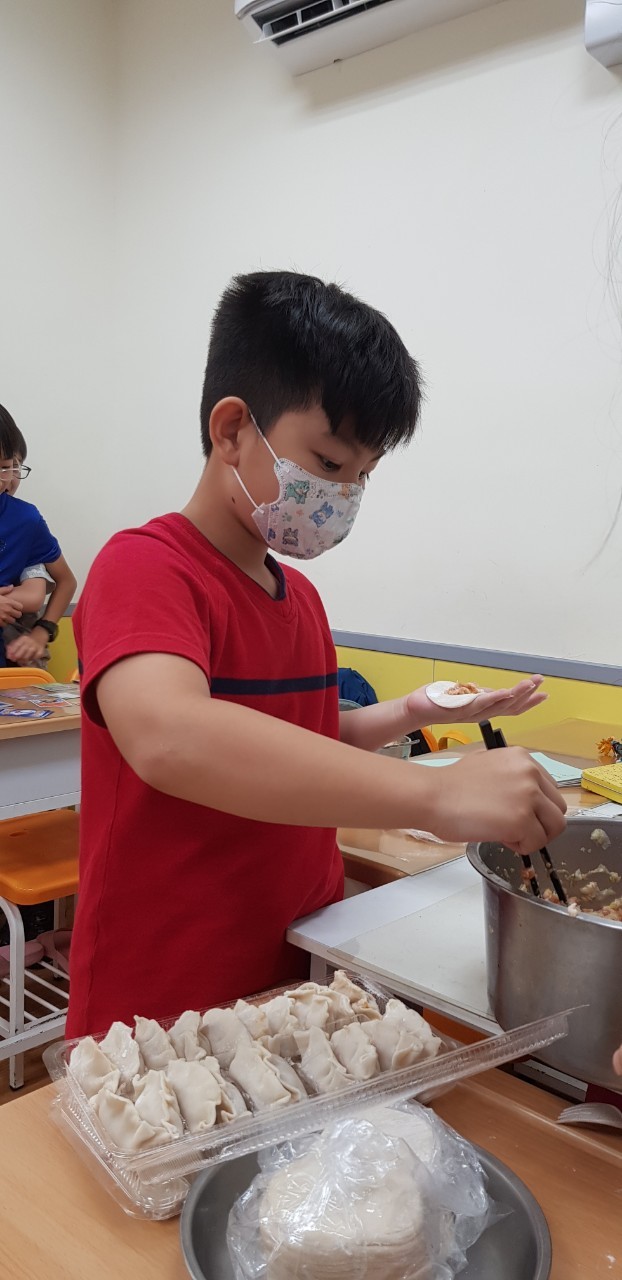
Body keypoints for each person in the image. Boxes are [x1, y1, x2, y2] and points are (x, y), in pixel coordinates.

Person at [67, 270, 566, 1036]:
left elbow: (302, 738)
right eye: (330, 466)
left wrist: (411, 711)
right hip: (161, 994)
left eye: (363, 476)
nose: (344, 495)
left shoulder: (298, 597)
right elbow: (170, 736)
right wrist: (435, 796)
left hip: (294, 965)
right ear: (232, 430)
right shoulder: (145, 567)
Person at [0, 405, 76, 667]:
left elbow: (66, 581)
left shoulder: (25, 519)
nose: (3, 480)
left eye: (6, 467)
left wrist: (43, 631)